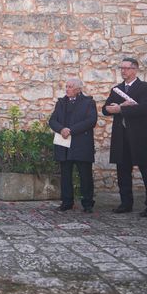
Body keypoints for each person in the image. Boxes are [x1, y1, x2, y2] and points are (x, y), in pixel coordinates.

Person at [103, 57, 147, 217]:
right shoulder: (116, 89)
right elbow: (105, 109)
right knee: (122, 171)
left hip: (141, 136)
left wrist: (120, 110)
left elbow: (144, 108)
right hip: (121, 136)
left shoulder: (146, 88)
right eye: (121, 68)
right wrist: (121, 107)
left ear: (135, 69)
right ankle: (126, 203)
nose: (123, 71)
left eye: (126, 68)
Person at [48, 78, 98, 213]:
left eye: (70, 87)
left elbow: (91, 121)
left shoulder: (88, 102)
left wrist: (71, 130)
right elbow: (52, 120)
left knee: (85, 175)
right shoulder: (61, 103)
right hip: (64, 144)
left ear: (78, 89)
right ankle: (67, 202)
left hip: (82, 144)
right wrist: (61, 129)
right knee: (65, 175)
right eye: (66, 86)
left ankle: (87, 203)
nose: (67, 89)